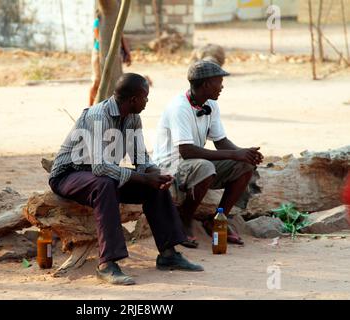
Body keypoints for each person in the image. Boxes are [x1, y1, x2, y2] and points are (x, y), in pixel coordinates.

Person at [50, 73, 203, 286]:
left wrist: (155, 174)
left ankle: (168, 254)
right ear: (133, 99)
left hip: (101, 177)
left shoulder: (132, 118)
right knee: (105, 183)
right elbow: (101, 167)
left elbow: (140, 158)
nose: (147, 102)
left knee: (154, 186)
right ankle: (107, 264)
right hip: (69, 175)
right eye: (145, 97)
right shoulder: (98, 116)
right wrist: (141, 177)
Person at [152, 61, 264, 248]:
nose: (222, 86)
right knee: (206, 167)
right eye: (219, 82)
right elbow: (186, 151)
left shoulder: (210, 104)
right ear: (205, 85)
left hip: (195, 162)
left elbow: (221, 142)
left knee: (245, 166)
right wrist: (234, 155)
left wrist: (245, 154)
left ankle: (218, 220)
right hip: (171, 165)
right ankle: (184, 220)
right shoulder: (180, 107)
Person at [89, 12, 132, 106]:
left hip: (114, 53)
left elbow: (121, 36)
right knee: (97, 80)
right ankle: (89, 106)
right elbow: (98, 38)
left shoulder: (116, 21)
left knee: (115, 80)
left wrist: (127, 52)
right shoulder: (98, 21)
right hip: (99, 52)